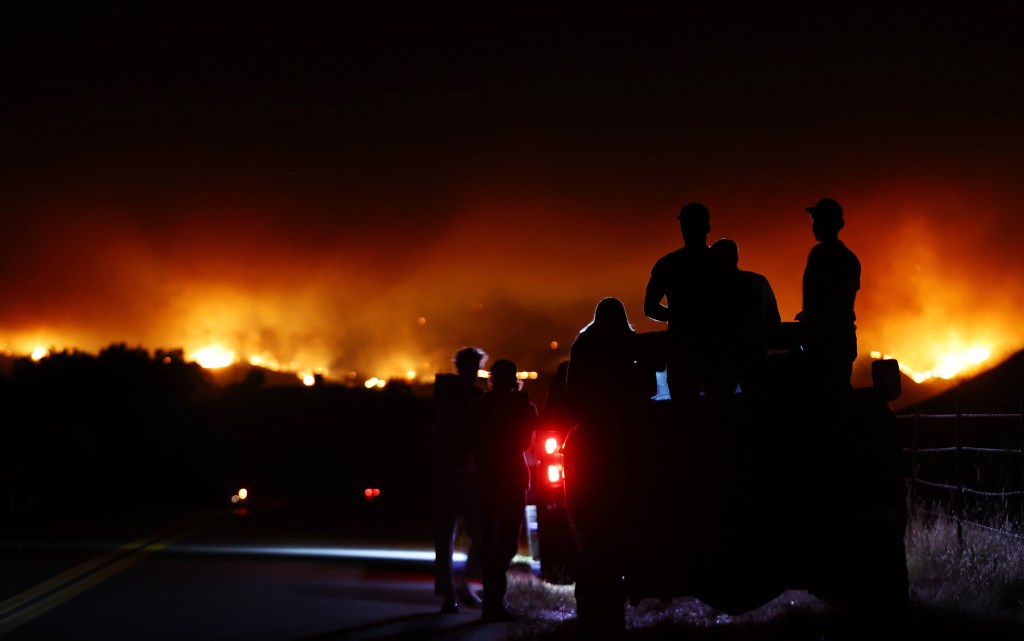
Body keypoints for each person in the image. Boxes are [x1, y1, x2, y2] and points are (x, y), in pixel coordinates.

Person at [563, 297, 654, 639]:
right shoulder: (632, 345)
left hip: (591, 450)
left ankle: (593, 613)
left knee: (591, 538)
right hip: (628, 448)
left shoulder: (583, 346)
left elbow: (572, 401)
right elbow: (646, 388)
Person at [466, 358, 537, 622]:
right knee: (505, 541)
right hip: (510, 479)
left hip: (489, 479)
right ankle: (495, 600)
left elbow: (472, 441)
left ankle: (493, 601)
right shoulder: (521, 406)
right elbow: (524, 442)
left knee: (493, 541)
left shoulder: (479, 407)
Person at [430, 346, 487, 613]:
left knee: (450, 534)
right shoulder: (470, 396)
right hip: (460, 471)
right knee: (469, 531)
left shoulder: (445, 393)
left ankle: (452, 590)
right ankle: (458, 587)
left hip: (451, 471)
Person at [643, 202, 716, 403]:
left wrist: (678, 316)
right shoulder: (719, 262)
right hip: (717, 349)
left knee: (685, 411)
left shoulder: (668, 264)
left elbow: (650, 307)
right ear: (707, 228)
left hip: (682, 350)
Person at [795, 198, 861, 396]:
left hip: (822, 342)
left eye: (818, 221)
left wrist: (809, 318)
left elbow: (822, 299)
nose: (814, 226)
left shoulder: (819, 255)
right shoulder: (850, 259)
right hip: (842, 340)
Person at [709, 238, 782, 398]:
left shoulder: (711, 289)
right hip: (754, 353)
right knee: (757, 401)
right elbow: (774, 319)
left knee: (719, 403)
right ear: (735, 257)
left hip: (722, 356)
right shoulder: (759, 281)